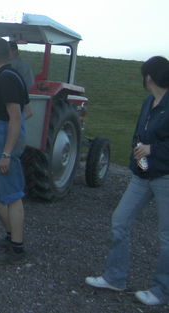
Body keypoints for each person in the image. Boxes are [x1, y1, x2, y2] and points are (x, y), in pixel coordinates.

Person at [85, 56, 169, 306]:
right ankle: (115, 277)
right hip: (142, 176)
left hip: (165, 178)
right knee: (119, 221)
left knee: (166, 236)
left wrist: (153, 150)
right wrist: (140, 162)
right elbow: (139, 136)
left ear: (149, 77)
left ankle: (161, 290)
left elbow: (152, 144)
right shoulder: (148, 102)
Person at [0, 37, 29, 265]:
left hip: (2, 143)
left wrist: (7, 152)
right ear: (10, 54)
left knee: (12, 195)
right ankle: (11, 236)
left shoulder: (8, 80)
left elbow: (17, 117)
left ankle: (18, 248)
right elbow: (27, 111)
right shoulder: (4, 78)